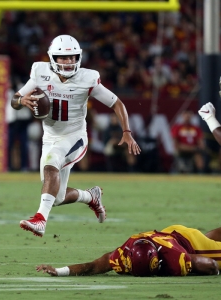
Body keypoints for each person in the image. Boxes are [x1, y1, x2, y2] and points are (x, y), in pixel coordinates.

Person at [11, 35, 141, 237]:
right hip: (50, 137)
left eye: (72, 57)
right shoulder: (40, 72)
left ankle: (40, 219)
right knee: (56, 196)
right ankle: (90, 196)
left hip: (74, 137)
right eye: (64, 58)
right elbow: (15, 99)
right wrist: (21, 102)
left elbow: (117, 103)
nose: (69, 61)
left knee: (51, 164)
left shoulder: (87, 78)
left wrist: (127, 132)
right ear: (53, 58)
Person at [36, 224, 221, 277]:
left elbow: (211, 266)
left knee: (212, 249)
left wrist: (189, 268)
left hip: (189, 242)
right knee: (211, 239)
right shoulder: (123, 255)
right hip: (168, 234)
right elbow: (93, 267)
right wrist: (60, 271)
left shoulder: (173, 257)